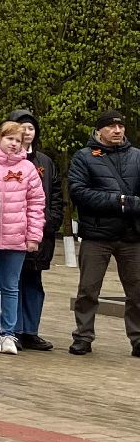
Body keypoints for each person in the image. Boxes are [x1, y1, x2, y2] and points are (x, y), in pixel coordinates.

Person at [66, 109, 140, 356]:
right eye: (111, 127)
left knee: (138, 292)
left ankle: (138, 339)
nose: (117, 131)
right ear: (99, 130)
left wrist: (132, 204)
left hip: (132, 235)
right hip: (96, 235)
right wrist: (119, 202)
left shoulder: (137, 156)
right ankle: (83, 337)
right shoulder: (83, 157)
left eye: (121, 127)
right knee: (88, 290)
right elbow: (79, 192)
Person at [0, 120, 46, 354]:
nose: (14, 144)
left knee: (11, 286)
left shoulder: (27, 169)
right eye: (10, 139)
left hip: (17, 238)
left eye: (18, 140)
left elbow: (36, 204)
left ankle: (9, 333)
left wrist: (33, 236)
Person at [10, 109, 63, 350]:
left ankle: (31, 330)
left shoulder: (45, 162)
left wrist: (50, 222)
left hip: (40, 233)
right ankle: (14, 329)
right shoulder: (5, 159)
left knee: (33, 281)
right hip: (12, 231)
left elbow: (56, 195)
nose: (27, 132)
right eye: (22, 127)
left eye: (31, 128)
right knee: (13, 281)